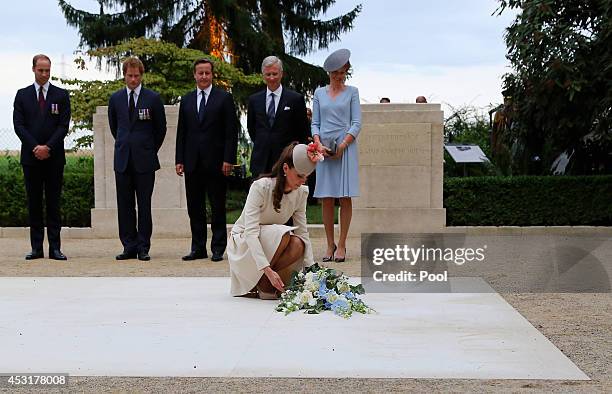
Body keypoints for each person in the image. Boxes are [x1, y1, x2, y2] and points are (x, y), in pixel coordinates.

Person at [228, 143, 317, 299]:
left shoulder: (301, 193)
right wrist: (267, 269)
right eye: (299, 175)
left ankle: (264, 283)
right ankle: (263, 279)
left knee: (298, 243)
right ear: (285, 169)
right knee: (284, 234)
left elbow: (303, 232)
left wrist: (312, 273)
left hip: (271, 242)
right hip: (244, 243)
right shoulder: (260, 187)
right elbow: (251, 233)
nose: (302, 181)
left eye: (306, 177)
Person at [175, 58, 239, 262]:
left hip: (217, 162)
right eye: (200, 73)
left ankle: (218, 248)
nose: (203, 76)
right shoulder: (185, 100)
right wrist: (179, 159)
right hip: (192, 162)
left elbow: (231, 132)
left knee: (217, 205)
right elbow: (181, 132)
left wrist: (229, 158)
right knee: (195, 207)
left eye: (207, 73)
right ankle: (198, 248)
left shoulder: (224, 99)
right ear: (194, 75)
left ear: (212, 75)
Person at [108, 57, 167, 261]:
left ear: (142, 76)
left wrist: (148, 148)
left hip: (145, 161)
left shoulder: (152, 98)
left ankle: (143, 247)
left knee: (144, 205)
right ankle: (128, 245)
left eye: (136, 76)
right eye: (129, 75)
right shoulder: (115, 99)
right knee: (124, 206)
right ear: (124, 76)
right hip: (123, 159)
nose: (133, 79)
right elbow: (114, 127)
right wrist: (127, 144)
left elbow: (160, 129)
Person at [13, 54, 71, 260]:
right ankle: (36, 247)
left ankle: (55, 247)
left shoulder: (61, 95)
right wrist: (35, 147)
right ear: (33, 69)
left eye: (47, 70)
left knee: (54, 204)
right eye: (41, 70)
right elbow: (19, 125)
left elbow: (63, 126)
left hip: (54, 158)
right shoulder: (22, 95)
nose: (44, 74)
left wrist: (48, 147)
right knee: (34, 203)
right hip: (31, 158)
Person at [311, 48, 361, 263]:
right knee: (327, 198)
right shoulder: (319, 93)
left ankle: (342, 244)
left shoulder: (353, 92)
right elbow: (315, 123)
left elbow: (357, 123)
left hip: (345, 147)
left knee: (344, 197)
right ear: (328, 73)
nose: (338, 76)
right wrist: (318, 143)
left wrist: (344, 144)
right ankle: (329, 244)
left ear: (346, 71)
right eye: (334, 73)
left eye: (341, 72)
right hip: (324, 148)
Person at [247, 56, 309, 178]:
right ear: (263, 75)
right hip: (261, 162)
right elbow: (252, 129)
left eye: (275, 74)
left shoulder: (295, 99)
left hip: (287, 161)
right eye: (268, 74)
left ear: (281, 74)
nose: (271, 78)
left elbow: (303, 131)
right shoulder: (254, 100)